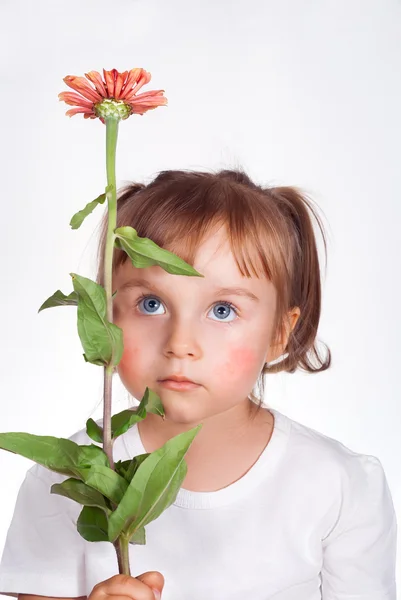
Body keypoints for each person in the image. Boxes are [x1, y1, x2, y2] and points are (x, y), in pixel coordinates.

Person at [0, 168, 397, 600]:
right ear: (107, 316)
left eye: (222, 310)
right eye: (150, 304)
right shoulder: (65, 483)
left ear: (278, 334)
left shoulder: (336, 486)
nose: (180, 344)